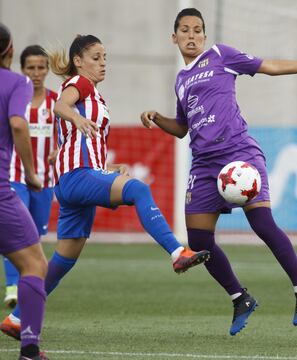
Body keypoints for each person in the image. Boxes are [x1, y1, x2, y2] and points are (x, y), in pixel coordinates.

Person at [140, 8, 297, 336]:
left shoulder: (221, 55)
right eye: (184, 30)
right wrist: (158, 118)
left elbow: (269, 66)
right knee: (197, 239)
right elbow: (182, 128)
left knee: (262, 222)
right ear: (174, 37)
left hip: (239, 153)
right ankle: (240, 298)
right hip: (205, 164)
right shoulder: (181, 80)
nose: (191, 35)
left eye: (197, 30)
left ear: (204, 36)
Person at [1, 33, 210, 341]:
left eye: (105, 59)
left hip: (76, 178)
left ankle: (18, 319)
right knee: (138, 190)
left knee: (64, 258)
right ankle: (177, 252)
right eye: (96, 58)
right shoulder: (80, 84)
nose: (102, 64)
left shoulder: (96, 97)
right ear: (78, 62)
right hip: (76, 176)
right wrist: (76, 118)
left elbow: (78, 142)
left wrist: (109, 168)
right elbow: (60, 106)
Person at [0, 23, 49, 360]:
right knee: (34, 263)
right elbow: (18, 124)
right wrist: (31, 173)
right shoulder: (16, 83)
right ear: (10, 49)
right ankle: (29, 350)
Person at [2, 45, 57, 309]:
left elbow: (64, 136)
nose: (36, 73)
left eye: (41, 68)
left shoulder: (56, 102)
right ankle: (12, 286)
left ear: (47, 70)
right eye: (30, 68)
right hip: (15, 175)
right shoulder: (15, 95)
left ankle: (29, 285)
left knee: (34, 235)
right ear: (21, 69)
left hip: (44, 180)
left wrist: (58, 150)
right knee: (15, 231)